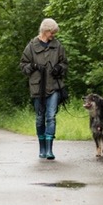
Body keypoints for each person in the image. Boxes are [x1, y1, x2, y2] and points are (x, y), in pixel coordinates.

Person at [20, 18, 68, 160]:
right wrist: (33, 67)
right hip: (37, 88)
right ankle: (41, 148)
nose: (53, 35)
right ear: (46, 31)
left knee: (51, 117)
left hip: (53, 86)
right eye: (52, 33)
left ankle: (49, 150)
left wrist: (59, 68)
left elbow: (64, 63)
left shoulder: (57, 45)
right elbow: (23, 65)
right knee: (40, 118)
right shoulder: (31, 46)